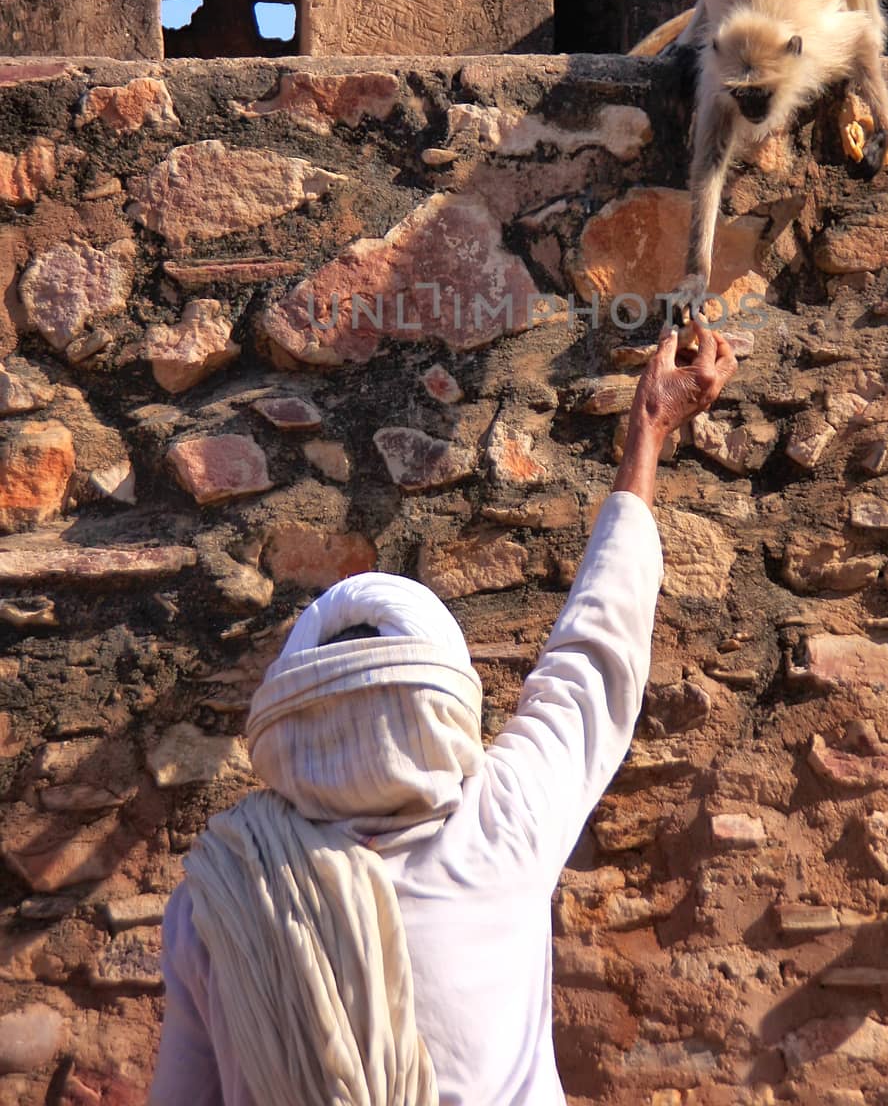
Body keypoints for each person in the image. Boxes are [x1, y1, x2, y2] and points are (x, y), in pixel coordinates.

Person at [150, 321, 737, 1106]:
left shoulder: (219, 896)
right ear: (442, 697)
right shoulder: (502, 825)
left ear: (286, 712)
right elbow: (596, 651)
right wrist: (647, 435)